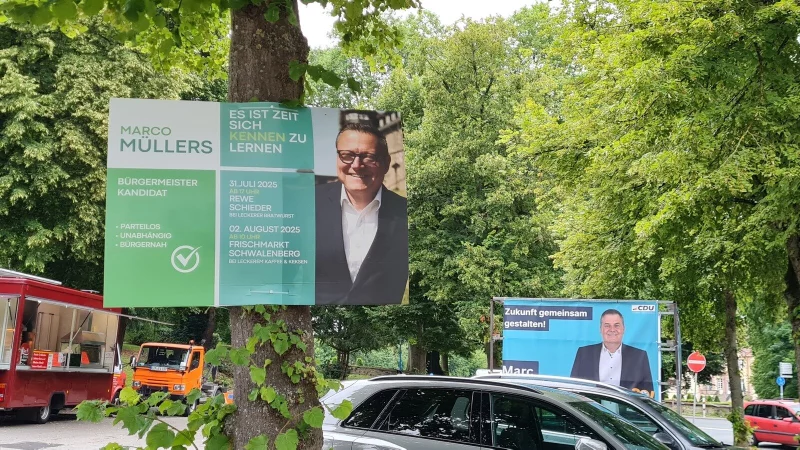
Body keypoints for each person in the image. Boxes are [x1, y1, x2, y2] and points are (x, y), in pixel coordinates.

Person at [315, 122, 408, 305]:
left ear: (386, 163)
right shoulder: (307, 203)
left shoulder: (404, 212)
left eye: (369, 157)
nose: (356, 165)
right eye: (347, 155)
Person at [570, 309, 654, 395]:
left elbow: (647, 393)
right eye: (607, 326)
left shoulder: (639, 356)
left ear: (623, 329)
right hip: (592, 404)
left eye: (616, 325)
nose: (612, 329)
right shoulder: (583, 354)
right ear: (601, 329)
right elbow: (573, 388)